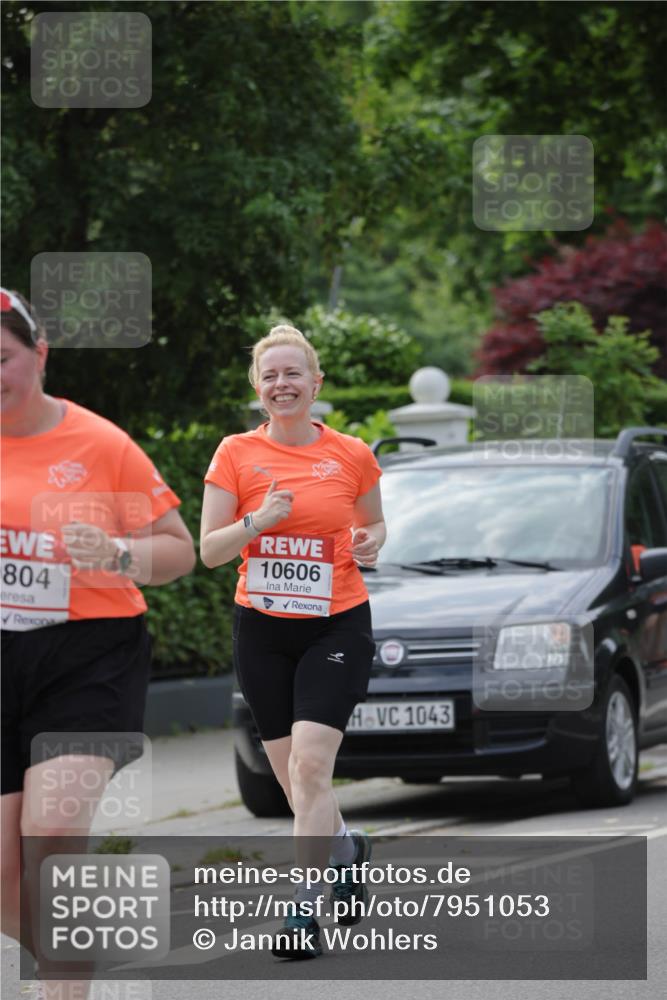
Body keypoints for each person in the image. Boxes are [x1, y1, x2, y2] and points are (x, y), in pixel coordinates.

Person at [0, 288, 196, 995]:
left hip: (90, 653)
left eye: (1, 359)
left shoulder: (99, 444)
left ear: (40, 352)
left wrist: (116, 552)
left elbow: (180, 551)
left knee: (50, 836)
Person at [200, 324, 386, 959]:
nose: (283, 385)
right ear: (258, 388)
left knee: (310, 765)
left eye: (293, 374)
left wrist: (372, 541)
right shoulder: (234, 454)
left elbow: (374, 523)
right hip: (263, 629)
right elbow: (209, 551)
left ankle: (302, 913)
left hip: (337, 621)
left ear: (315, 384)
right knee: (292, 781)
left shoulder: (353, 454)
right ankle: (346, 849)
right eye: (270, 376)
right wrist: (257, 521)